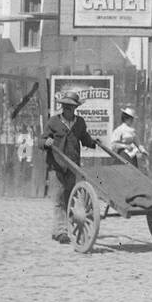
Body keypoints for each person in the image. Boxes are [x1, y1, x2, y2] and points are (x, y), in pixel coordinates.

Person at [41, 93, 98, 243]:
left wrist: (93, 142)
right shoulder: (53, 122)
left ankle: (62, 228)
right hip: (57, 165)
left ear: (75, 108)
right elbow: (41, 140)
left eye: (72, 107)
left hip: (73, 165)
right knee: (58, 198)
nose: (69, 109)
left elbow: (85, 138)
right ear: (63, 107)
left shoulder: (79, 122)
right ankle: (61, 231)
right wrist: (46, 142)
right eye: (67, 107)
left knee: (69, 198)